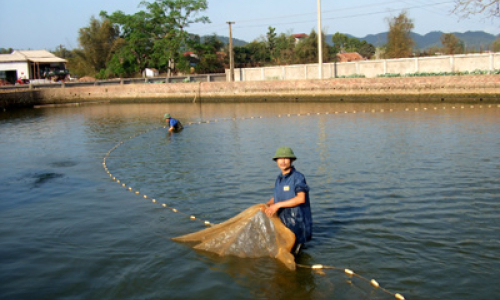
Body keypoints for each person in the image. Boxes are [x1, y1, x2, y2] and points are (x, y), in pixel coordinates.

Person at [264, 146, 312, 256]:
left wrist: (278, 205)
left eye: (286, 158)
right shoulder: (279, 178)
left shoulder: (298, 177)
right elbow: (279, 197)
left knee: (294, 257)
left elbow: (301, 198)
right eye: (280, 159)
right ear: (276, 161)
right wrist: (269, 204)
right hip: (284, 222)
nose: (283, 161)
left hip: (297, 224)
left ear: (291, 160)